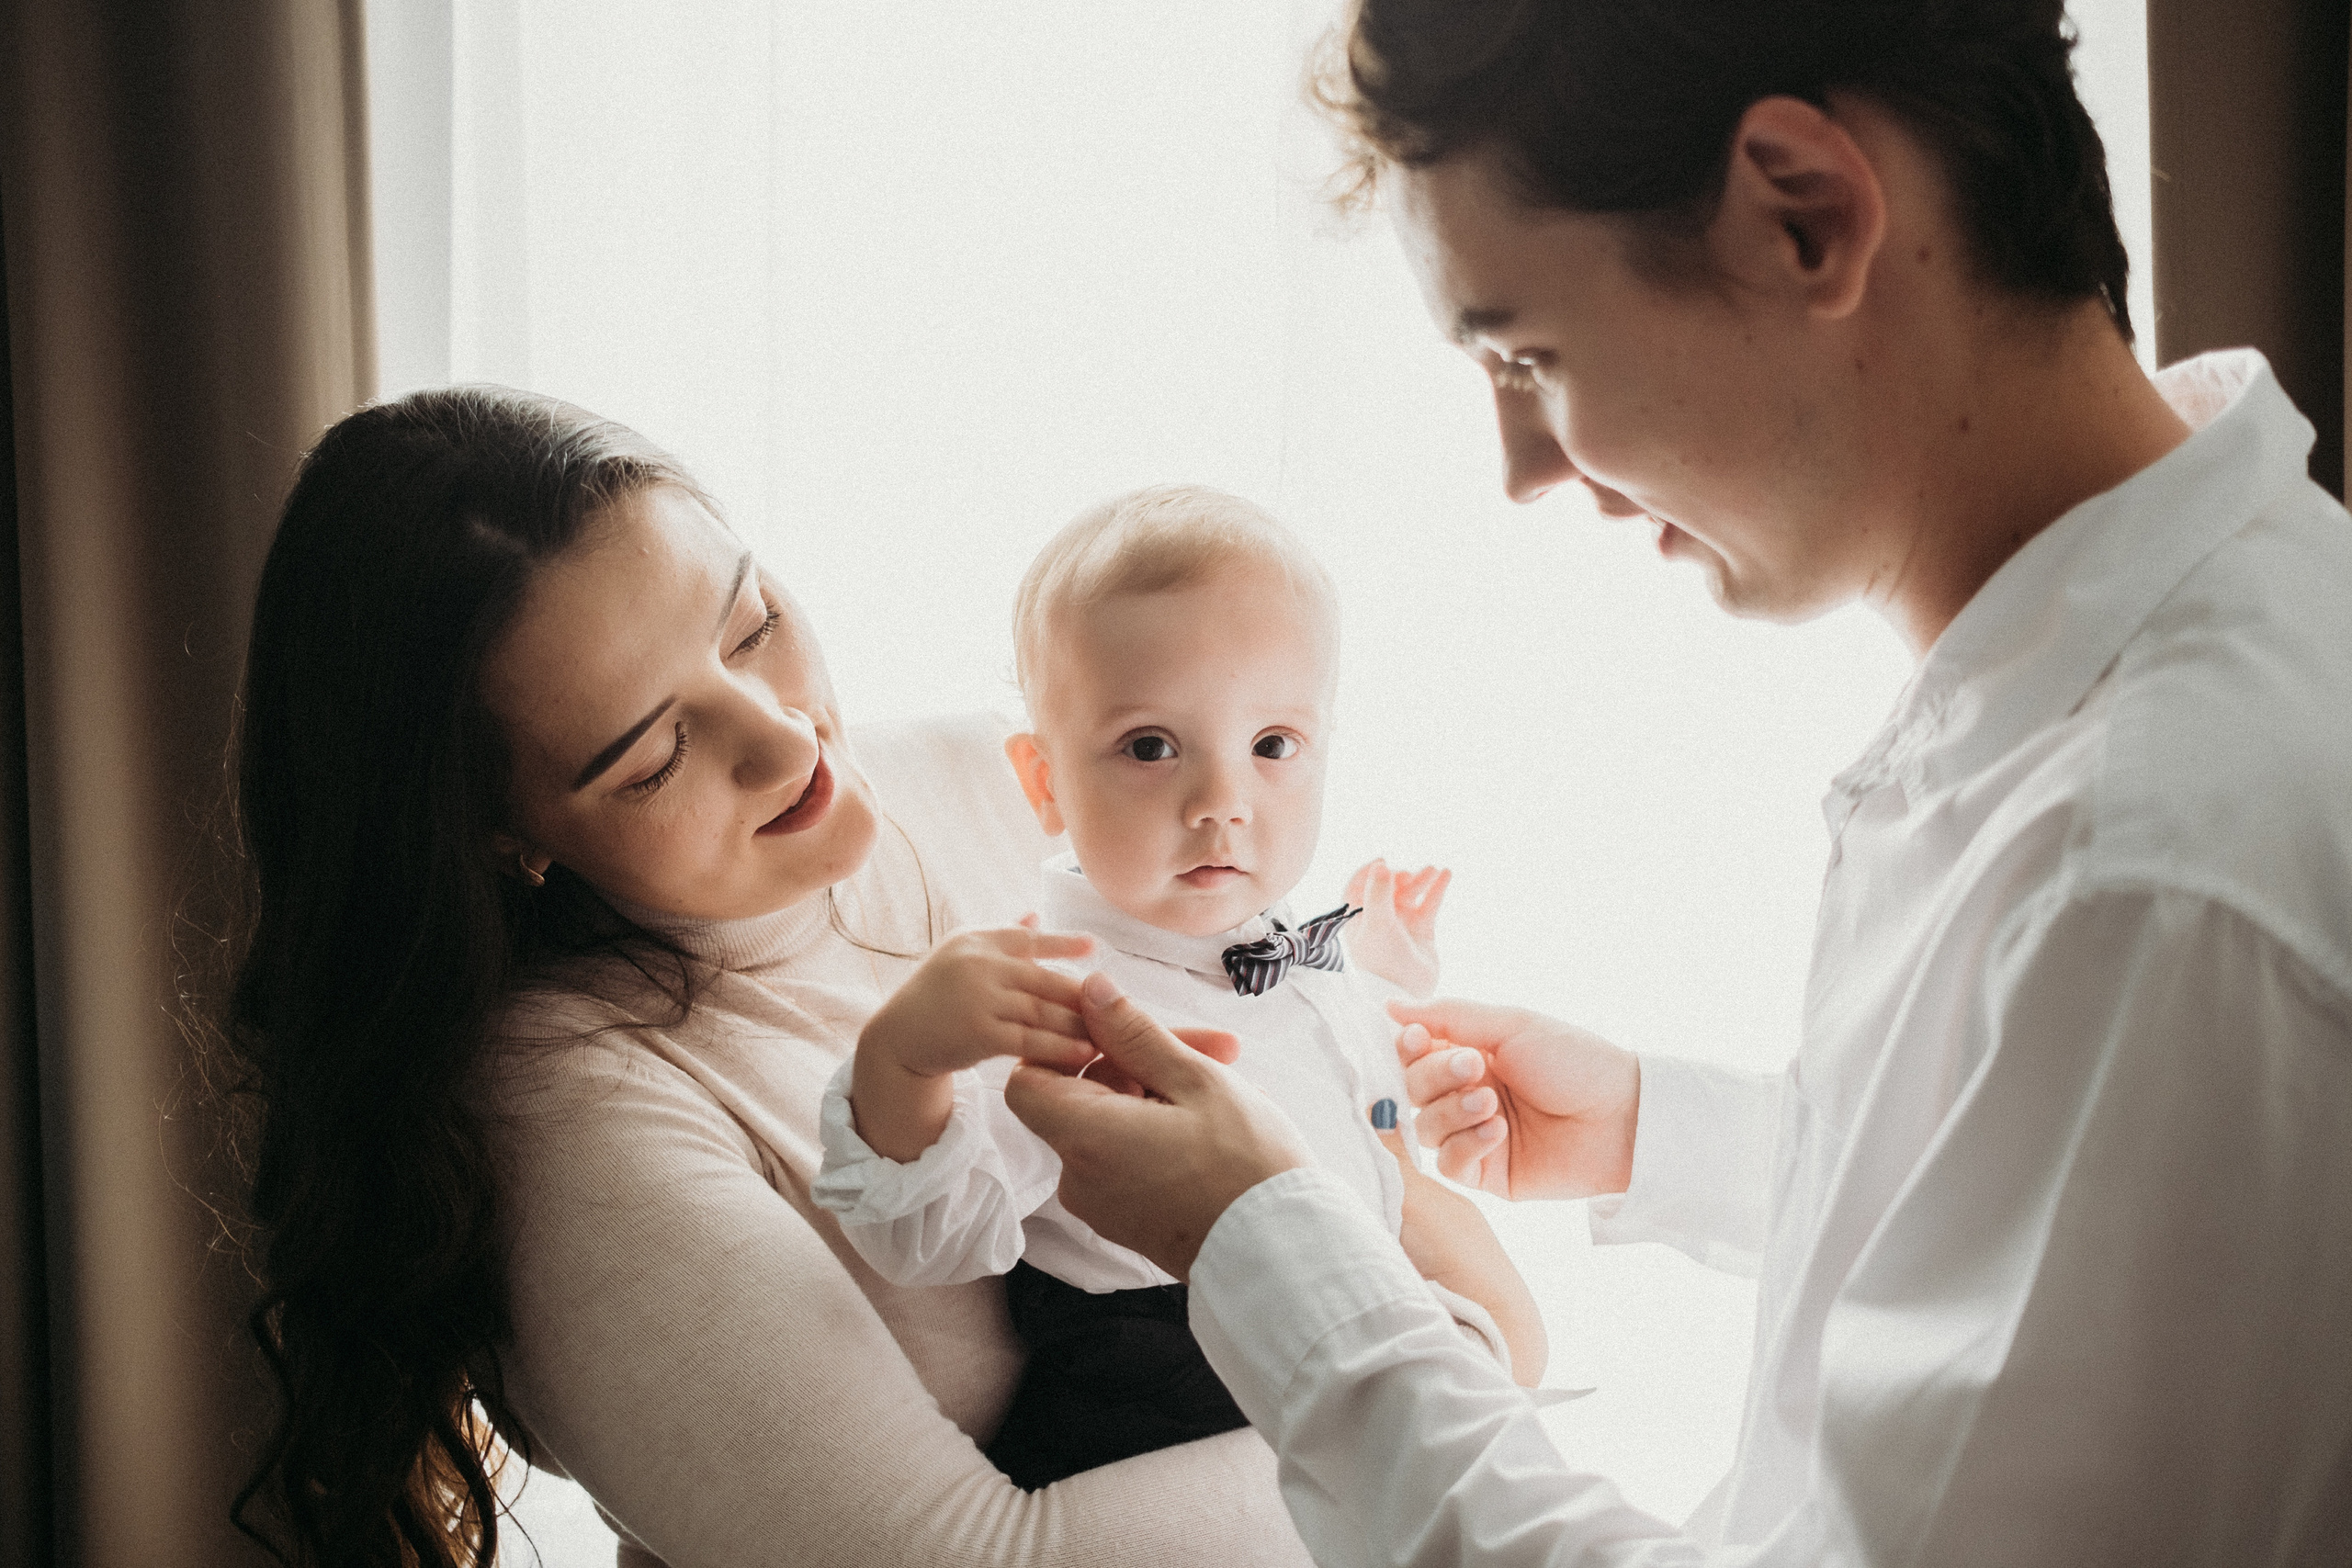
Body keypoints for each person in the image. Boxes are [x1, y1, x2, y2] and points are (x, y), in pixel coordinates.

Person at [1002, 2, 2352, 1564]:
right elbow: (2066, 1230)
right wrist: (1667, 1133)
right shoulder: (2164, 676)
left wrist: (1273, 1256)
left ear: (1805, 215)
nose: (1523, 464)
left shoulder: (2153, 872)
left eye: (1527, 353)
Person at [209, 387, 1330, 1568]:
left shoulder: (997, 783)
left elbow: (1307, 1070)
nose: (788, 742)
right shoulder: (568, 1106)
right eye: (653, 757)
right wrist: (1430, 1369)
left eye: (751, 626)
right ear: (502, 832)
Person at [811, 484, 1546, 1489]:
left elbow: (1321, 1055)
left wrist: (1388, 981)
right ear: (1043, 784)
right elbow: (926, 1238)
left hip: (1345, 1306)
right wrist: (905, 1060)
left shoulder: (1280, 948)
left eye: (1272, 747)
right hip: (1167, 1379)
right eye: (1151, 747)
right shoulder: (1056, 988)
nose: (1222, 804)